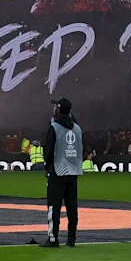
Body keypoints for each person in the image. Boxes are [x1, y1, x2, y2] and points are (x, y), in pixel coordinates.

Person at [42, 97, 83, 248]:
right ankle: (71, 239)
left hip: (57, 170)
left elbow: (48, 150)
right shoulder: (77, 128)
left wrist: (48, 167)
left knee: (54, 206)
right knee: (72, 206)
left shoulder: (54, 127)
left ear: (58, 109)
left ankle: (53, 239)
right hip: (73, 170)